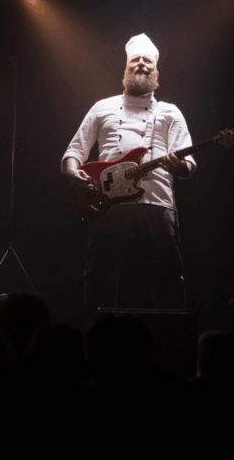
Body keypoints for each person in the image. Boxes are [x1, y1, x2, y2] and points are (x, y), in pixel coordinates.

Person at [61, 33, 195, 324]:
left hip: (157, 202)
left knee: (168, 276)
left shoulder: (170, 112)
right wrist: (73, 172)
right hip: (107, 203)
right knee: (99, 279)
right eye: (135, 60)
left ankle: (170, 342)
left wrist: (178, 167)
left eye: (148, 62)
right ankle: (95, 341)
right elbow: (74, 151)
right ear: (126, 70)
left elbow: (189, 164)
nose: (141, 65)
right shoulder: (102, 107)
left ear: (156, 74)